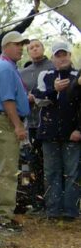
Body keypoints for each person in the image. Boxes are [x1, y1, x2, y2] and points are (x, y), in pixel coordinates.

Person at [0, 31, 30, 231]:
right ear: (5, 46)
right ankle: (1, 218)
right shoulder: (4, 68)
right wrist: (18, 125)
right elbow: (7, 100)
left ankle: (4, 213)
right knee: (6, 170)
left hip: (4, 120)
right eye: (17, 44)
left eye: (23, 44)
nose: (21, 47)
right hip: (5, 122)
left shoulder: (7, 66)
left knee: (6, 168)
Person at [32, 41, 80, 221]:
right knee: (51, 171)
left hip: (72, 134)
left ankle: (70, 211)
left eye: (65, 55)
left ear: (70, 55)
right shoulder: (46, 75)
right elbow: (38, 98)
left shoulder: (77, 76)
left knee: (72, 173)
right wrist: (54, 90)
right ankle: (53, 210)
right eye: (58, 56)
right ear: (52, 58)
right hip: (49, 133)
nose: (62, 58)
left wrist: (79, 129)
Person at [19, 39, 54, 212]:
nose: (34, 49)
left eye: (37, 46)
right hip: (30, 124)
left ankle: (54, 202)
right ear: (28, 52)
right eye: (31, 47)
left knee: (51, 164)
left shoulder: (52, 66)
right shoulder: (23, 72)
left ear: (43, 48)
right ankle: (36, 201)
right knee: (32, 164)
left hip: (50, 123)